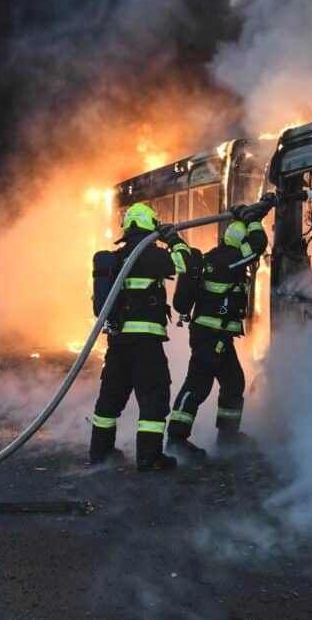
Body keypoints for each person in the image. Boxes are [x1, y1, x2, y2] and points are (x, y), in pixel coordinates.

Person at [89, 202, 192, 472]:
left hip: (118, 343)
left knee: (110, 399)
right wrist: (174, 240)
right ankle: (149, 458)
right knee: (154, 398)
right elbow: (185, 263)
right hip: (146, 344)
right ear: (151, 226)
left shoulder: (118, 258)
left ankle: (101, 453)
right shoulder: (149, 256)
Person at [165, 203, 269, 461]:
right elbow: (258, 246)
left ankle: (228, 437)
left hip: (216, 336)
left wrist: (256, 213)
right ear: (240, 243)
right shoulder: (231, 261)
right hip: (212, 337)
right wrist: (253, 219)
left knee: (233, 383)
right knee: (197, 385)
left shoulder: (217, 257)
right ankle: (176, 440)